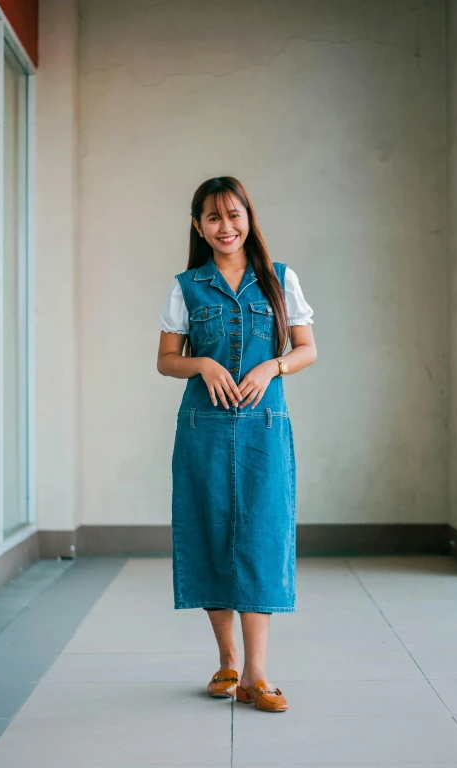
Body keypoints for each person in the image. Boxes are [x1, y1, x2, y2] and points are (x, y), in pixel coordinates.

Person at [157, 176, 317, 712]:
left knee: (262, 537)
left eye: (233, 214)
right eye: (212, 218)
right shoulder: (187, 286)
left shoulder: (279, 280)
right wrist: (200, 363)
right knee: (210, 534)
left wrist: (273, 366)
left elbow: (307, 348)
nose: (225, 227)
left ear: (248, 216)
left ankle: (257, 674)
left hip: (263, 429)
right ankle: (227, 661)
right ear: (198, 227)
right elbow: (165, 360)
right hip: (203, 429)